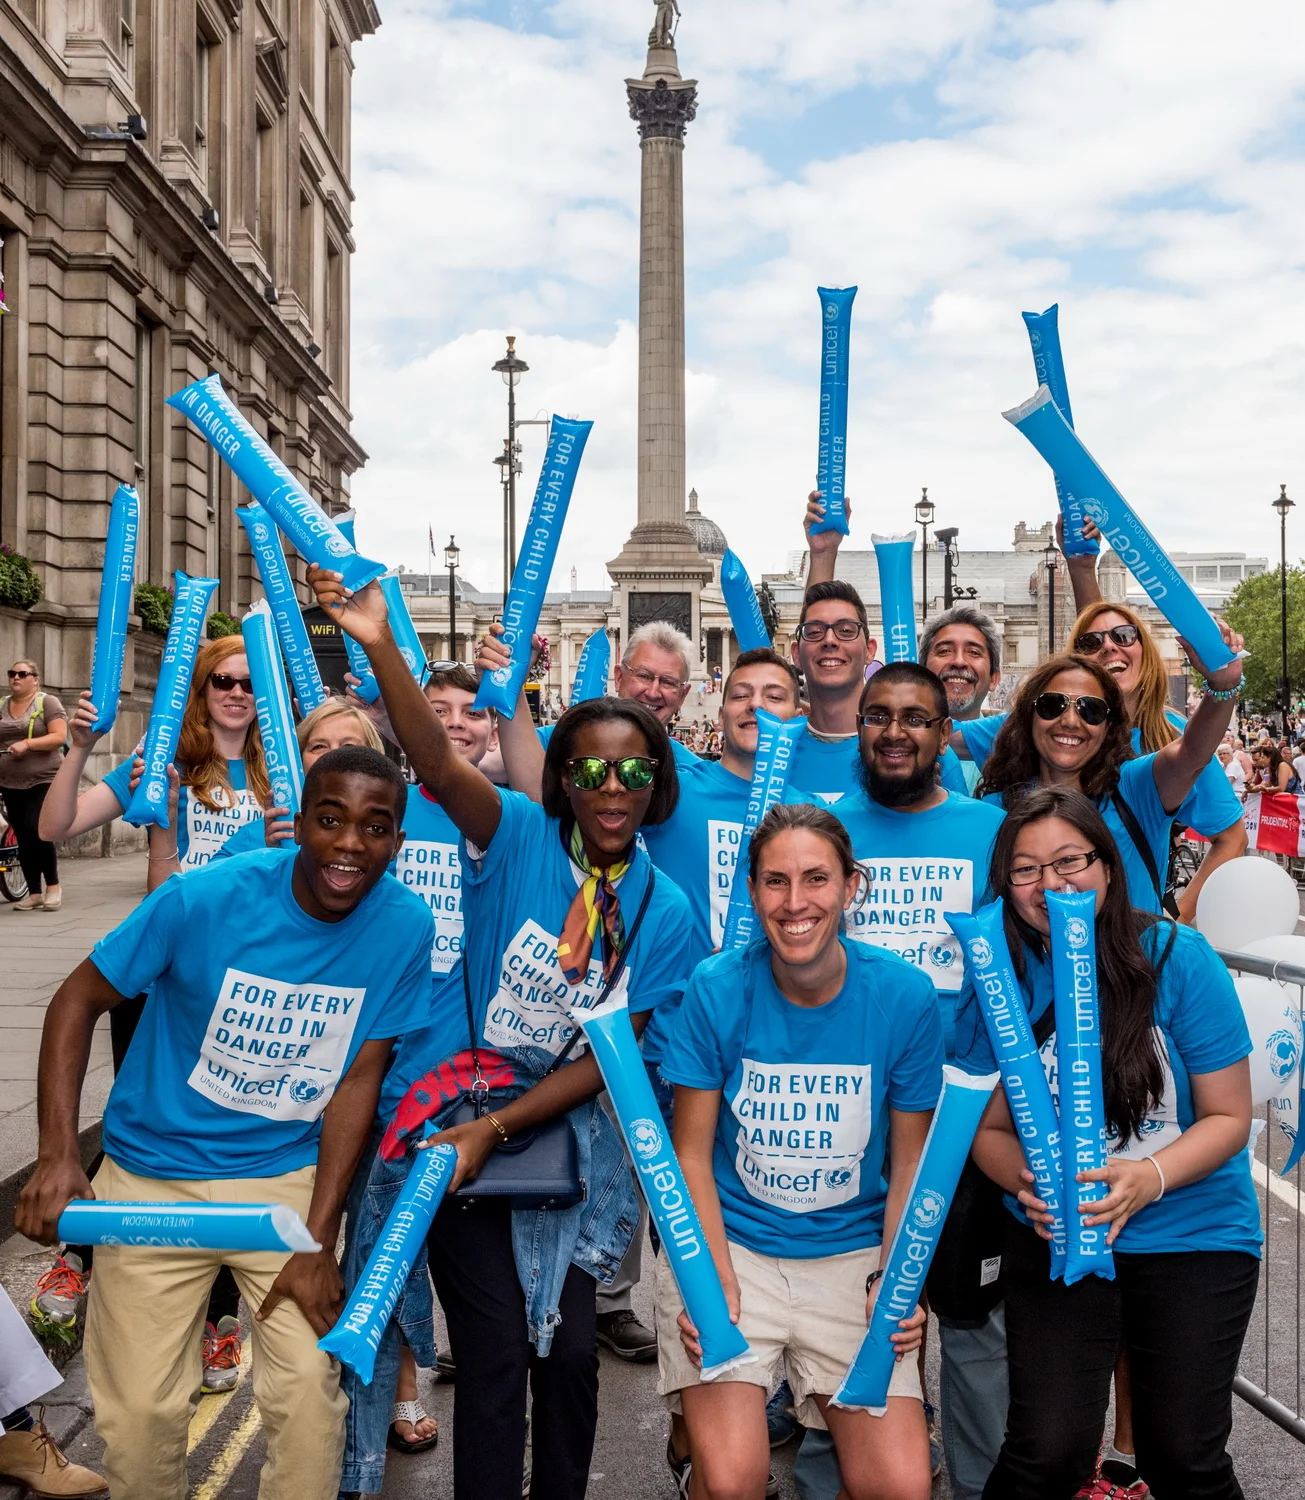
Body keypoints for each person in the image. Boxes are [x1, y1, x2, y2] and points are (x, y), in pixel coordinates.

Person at [308, 564, 696, 1500]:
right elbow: (438, 766)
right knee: (489, 1359)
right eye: (592, 769)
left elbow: (611, 1059)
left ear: (655, 784)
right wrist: (377, 643)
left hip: (561, 1145)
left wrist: (502, 1127)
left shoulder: (665, 908)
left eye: (633, 771)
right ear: (563, 779)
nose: (613, 788)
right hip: (452, 1130)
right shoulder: (515, 834)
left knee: (565, 1360)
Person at [15, 746, 436, 1500]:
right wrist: (56, 1154)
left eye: (375, 828)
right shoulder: (200, 899)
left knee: (310, 1395)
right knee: (141, 1418)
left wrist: (318, 1234)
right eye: (331, 820)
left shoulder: (405, 925)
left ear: (397, 842)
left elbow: (356, 1081)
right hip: (152, 1179)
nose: (349, 844)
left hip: (281, 1181)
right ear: (298, 823)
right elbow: (74, 1002)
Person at [956, 788, 1258, 1499]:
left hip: (1194, 1236)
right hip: (1059, 1238)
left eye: (1069, 860)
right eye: (1025, 869)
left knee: (1181, 1455)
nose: (1049, 884)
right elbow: (989, 1130)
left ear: (1107, 864)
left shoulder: (1175, 957)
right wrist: (1024, 1186)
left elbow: (1227, 1116)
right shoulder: (997, 974)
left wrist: (1146, 1176)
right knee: (1046, 1452)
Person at [656, 802, 942, 1500]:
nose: (794, 903)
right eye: (774, 882)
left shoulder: (903, 995)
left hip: (849, 1257)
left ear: (852, 887)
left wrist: (899, 1281)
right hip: (735, 1247)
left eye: (815, 879)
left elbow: (909, 1161)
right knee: (731, 1482)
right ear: (751, 892)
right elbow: (688, 1154)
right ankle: (696, 1450)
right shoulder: (716, 987)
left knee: (900, 1487)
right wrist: (706, 1277)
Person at [827, 662, 1005, 1498]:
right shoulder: (821, 828)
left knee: (966, 1323)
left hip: (964, 1116)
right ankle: (835, 1479)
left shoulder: (988, 832)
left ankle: (974, 1484)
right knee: (851, 1315)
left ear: (945, 733)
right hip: (849, 1121)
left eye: (915, 718)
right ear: (857, 726)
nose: (895, 732)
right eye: (878, 716)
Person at [956, 601, 1248, 924]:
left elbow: (1192, 754)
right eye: (1052, 705)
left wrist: (1222, 686)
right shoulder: (997, 806)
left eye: (1090, 710)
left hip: (1130, 970)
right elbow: (935, 735)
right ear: (1027, 717)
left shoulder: (1135, 789)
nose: (1069, 720)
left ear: (1109, 726)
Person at [40, 634, 268, 882]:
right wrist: (82, 746)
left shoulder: (282, 765)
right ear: (203, 688)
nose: (237, 693)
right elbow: (53, 827)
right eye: (223, 681)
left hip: (260, 918)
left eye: (250, 684)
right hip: (184, 913)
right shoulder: (163, 761)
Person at [539, 621, 701, 769]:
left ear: (682, 696)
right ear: (618, 677)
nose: (653, 692)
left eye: (668, 682)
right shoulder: (545, 743)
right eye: (643, 676)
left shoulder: (696, 775)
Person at [0, 659, 67, 911]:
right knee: (22, 833)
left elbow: (59, 736)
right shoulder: (2, 705)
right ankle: (34, 892)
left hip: (44, 778)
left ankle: (53, 886)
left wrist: (27, 744)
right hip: (9, 780)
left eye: (22, 673)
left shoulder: (46, 702)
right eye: (12, 673)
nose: (16, 677)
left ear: (35, 679)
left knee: (37, 827)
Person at [919, 608, 1002, 798]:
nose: (958, 661)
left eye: (973, 652)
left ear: (994, 679)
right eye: (945, 651)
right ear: (921, 673)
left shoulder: (1019, 748)